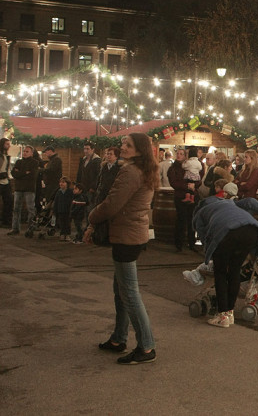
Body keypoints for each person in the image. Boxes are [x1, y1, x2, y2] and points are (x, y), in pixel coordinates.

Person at [86, 132, 158, 364]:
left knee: (129, 292)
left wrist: (91, 218)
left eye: (128, 145)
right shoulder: (145, 169)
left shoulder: (130, 171)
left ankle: (146, 347)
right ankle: (118, 338)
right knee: (121, 289)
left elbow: (112, 204)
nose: (122, 147)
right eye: (123, 143)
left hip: (126, 236)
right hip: (133, 234)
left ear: (139, 150)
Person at [192, 191, 258, 328]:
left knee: (220, 273)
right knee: (234, 271)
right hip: (252, 231)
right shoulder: (230, 202)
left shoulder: (201, 212)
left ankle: (222, 315)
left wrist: (209, 256)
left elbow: (203, 236)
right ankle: (230, 313)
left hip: (226, 233)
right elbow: (250, 201)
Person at [167, 149, 198, 252]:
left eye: (181, 154)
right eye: (178, 154)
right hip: (180, 196)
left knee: (191, 220)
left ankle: (191, 243)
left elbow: (198, 179)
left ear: (185, 156)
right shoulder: (173, 168)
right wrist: (187, 186)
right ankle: (179, 244)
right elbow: (173, 183)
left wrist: (194, 185)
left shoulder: (190, 166)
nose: (179, 155)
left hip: (193, 196)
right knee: (181, 220)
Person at [8, 145, 39, 237]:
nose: (24, 153)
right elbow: (14, 173)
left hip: (29, 189)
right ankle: (15, 228)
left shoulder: (35, 163)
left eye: (27, 151)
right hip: (18, 188)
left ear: (31, 153)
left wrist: (19, 173)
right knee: (16, 209)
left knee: (31, 209)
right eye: (24, 151)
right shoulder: (18, 162)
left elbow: (32, 175)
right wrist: (25, 173)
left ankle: (30, 229)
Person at [94, 147, 121, 246]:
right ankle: (101, 237)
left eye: (110, 154)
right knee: (101, 216)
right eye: (107, 154)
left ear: (116, 156)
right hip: (102, 195)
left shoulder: (119, 168)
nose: (108, 156)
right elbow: (99, 181)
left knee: (111, 218)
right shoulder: (104, 167)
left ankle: (111, 239)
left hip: (112, 196)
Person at [76, 142, 101, 215]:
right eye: (84, 149)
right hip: (83, 187)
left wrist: (93, 187)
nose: (85, 151)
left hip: (91, 189)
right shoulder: (83, 160)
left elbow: (98, 175)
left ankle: (89, 225)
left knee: (89, 208)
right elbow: (79, 173)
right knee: (81, 207)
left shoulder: (97, 160)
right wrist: (78, 185)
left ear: (93, 149)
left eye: (88, 149)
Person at [53, 176, 73, 241]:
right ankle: (62, 234)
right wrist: (54, 211)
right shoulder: (58, 192)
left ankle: (67, 234)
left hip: (68, 210)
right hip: (60, 210)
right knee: (61, 223)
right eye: (60, 182)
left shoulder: (70, 192)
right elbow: (56, 202)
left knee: (67, 223)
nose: (61, 184)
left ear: (67, 184)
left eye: (63, 182)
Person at [0, 138, 13, 227]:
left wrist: (9, 177)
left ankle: (6, 221)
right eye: (7, 144)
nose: (9, 146)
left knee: (9, 201)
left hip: (6, 181)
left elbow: (8, 169)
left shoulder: (6, 156)